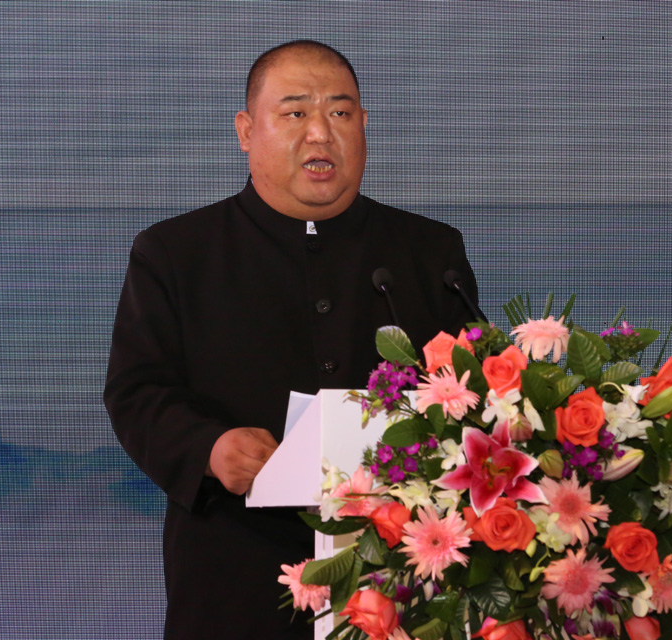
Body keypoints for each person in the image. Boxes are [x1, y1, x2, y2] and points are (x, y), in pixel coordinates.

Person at [104, 40, 479, 639]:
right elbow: (137, 390)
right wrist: (209, 448)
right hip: (237, 573)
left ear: (364, 126)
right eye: (296, 112)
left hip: (404, 576)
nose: (320, 133)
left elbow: (472, 394)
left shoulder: (430, 252)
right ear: (246, 131)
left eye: (340, 112)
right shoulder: (176, 253)